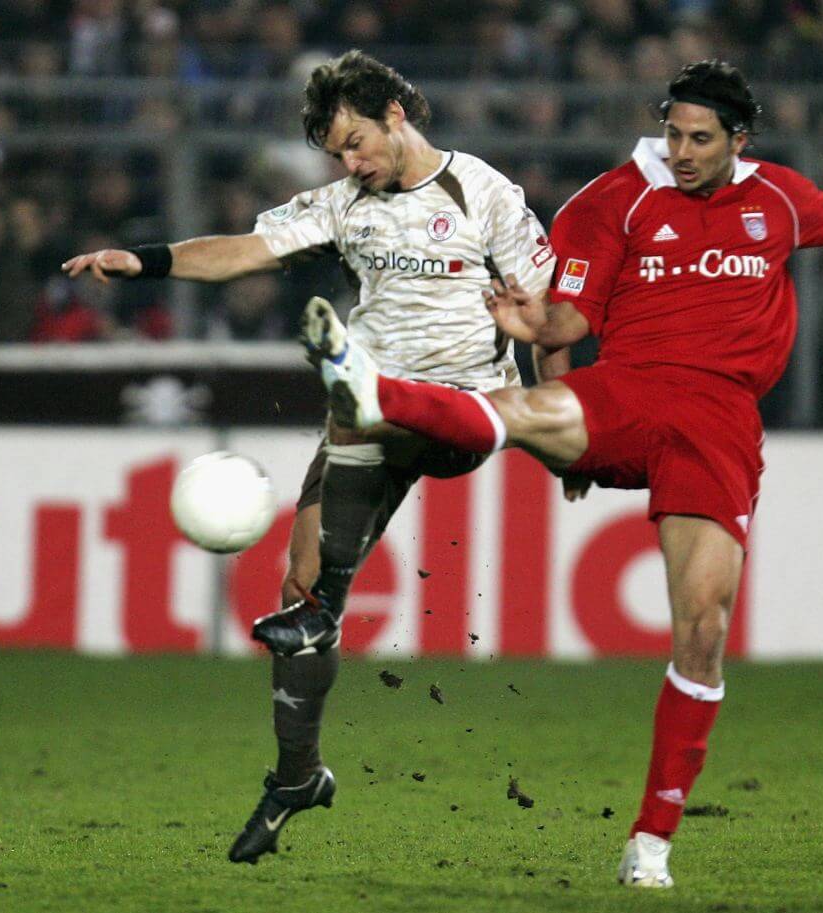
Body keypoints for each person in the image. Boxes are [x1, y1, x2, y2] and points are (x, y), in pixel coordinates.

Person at [304, 60, 823, 888]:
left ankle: (651, 843)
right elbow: (567, 317)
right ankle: (374, 390)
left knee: (703, 628)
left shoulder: (776, 197)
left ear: (739, 141)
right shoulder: (614, 200)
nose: (680, 150)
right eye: (671, 132)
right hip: (629, 390)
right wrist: (538, 333)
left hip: (719, 422)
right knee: (520, 411)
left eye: (699, 138)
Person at [62, 50, 563, 864]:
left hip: (460, 408)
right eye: (339, 154)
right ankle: (298, 774)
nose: (351, 162)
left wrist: (557, 420)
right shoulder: (343, 205)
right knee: (298, 589)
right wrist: (143, 260)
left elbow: (548, 315)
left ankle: (356, 420)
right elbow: (240, 253)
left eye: (358, 143)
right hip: (369, 413)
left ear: (397, 114)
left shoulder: (485, 194)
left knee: (362, 405)